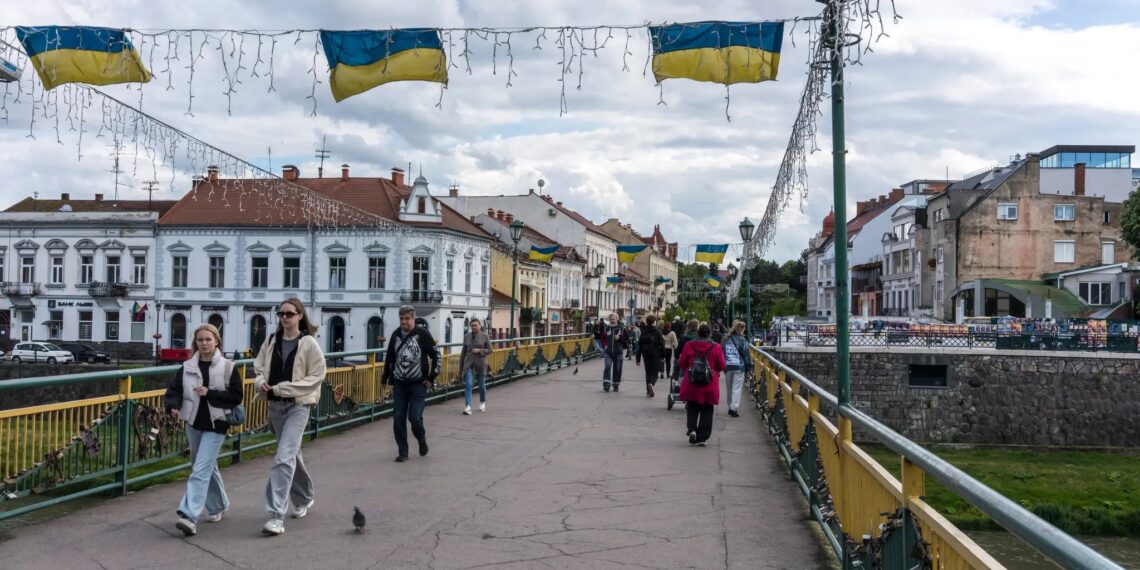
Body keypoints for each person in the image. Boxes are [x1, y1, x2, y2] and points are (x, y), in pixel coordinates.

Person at [254, 297, 326, 536]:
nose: (284, 318)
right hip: (275, 406)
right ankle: (304, 497)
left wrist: (285, 388)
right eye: (281, 314)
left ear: (300, 316)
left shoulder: (308, 343)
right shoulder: (271, 340)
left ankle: (276, 516)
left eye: (289, 314)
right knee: (291, 454)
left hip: (298, 405)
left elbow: (317, 376)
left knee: (283, 457)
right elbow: (259, 368)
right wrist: (261, 382)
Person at [164, 323, 243, 536]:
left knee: (200, 469)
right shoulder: (187, 367)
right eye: (200, 340)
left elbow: (236, 396)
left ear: (216, 341)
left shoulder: (228, 367)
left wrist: (210, 393)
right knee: (205, 466)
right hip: (193, 423)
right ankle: (218, 505)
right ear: (195, 343)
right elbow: (175, 390)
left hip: (217, 424)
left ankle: (189, 515)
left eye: (208, 339)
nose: (204, 343)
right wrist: (173, 405)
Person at [382, 305, 441, 462]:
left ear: (413, 319)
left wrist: (431, 377)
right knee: (398, 418)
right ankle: (403, 452)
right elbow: (389, 357)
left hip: (418, 384)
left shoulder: (423, 334)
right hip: (399, 384)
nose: (404, 322)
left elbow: (437, 356)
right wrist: (385, 377)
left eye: (407, 319)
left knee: (414, 417)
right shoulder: (396, 334)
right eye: (401, 319)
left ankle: (421, 439)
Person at [677, 324, 725, 446]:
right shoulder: (716, 347)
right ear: (710, 334)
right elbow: (721, 366)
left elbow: (682, 363)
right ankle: (702, 437)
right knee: (707, 409)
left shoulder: (689, 345)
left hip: (692, 382)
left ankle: (692, 429)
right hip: (709, 383)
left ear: (697, 333)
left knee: (692, 406)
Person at [459, 318, 491, 415]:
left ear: (480, 326)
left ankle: (482, 401)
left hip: (480, 364)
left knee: (481, 385)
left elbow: (490, 350)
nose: (474, 327)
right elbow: (463, 353)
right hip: (468, 364)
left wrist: (480, 351)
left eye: (476, 325)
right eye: (472, 325)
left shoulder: (485, 336)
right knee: (468, 384)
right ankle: (468, 406)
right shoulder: (466, 337)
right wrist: (460, 368)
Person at [722, 320, 754, 418]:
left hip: (728, 366)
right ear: (741, 329)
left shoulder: (725, 339)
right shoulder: (742, 340)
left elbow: (722, 352)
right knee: (736, 388)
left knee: (729, 388)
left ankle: (729, 406)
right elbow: (746, 355)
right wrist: (749, 367)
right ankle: (734, 408)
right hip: (739, 366)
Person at [593, 313, 628, 392]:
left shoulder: (621, 328)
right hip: (608, 352)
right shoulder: (606, 328)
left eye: (614, 319)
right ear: (609, 320)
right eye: (611, 319)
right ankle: (606, 384)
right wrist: (604, 345)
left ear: (617, 319)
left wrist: (619, 338)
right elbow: (602, 338)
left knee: (617, 368)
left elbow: (626, 339)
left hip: (618, 352)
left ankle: (616, 384)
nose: (612, 320)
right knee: (607, 366)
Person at [638, 315, 665, 397]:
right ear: (654, 322)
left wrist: (638, 358)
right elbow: (662, 343)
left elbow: (640, 344)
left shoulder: (643, 331)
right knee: (655, 372)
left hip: (645, 353)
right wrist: (663, 355)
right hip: (655, 353)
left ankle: (648, 391)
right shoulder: (657, 331)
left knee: (648, 372)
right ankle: (651, 384)